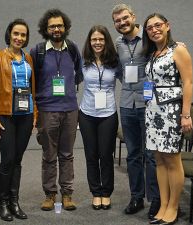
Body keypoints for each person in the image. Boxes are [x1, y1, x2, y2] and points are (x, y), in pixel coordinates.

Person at [143, 13, 193, 225]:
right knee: (159, 160)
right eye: (150, 28)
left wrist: (185, 114)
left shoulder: (178, 49)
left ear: (167, 26)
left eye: (158, 25)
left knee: (172, 160)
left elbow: (188, 82)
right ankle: (163, 204)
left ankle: (173, 206)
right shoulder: (154, 53)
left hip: (171, 111)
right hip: (153, 112)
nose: (154, 29)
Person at [30, 8, 82, 211]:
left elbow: (77, 75)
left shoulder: (73, 49)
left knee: (67, 154)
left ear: (65, 27)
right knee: (49, 154)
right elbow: (32, 79)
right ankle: (50, 194)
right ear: (46, 29)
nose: (56, 29)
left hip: (70, 109)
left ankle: (67, 194)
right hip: (46, 110)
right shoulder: (38, 51)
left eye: (60, 25)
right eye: (52, 26)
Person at [111, 3, 160, 219]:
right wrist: (130, 85)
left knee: (150, 155)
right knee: (133, 155)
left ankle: (156, 200)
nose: (122, 23)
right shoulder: (118, 44)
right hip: (127, 104)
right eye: (118, 21)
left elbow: (166, 50)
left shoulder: (148, 38)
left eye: (125, 18)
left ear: (133, 16)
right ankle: (136, 197)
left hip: (148, 104)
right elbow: (120, 71)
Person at [0, 18, 37, 221]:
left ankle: (15, 202)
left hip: (25, 115)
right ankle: (3, 203)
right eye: (16, 33)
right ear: (9, 34)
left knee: (18, 159)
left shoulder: (29, 59)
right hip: (5, 115)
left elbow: (33, 90)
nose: (19, 38)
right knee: (7, 159)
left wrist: (35, 115)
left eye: (23, 35)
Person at [78, 25, 121, 210]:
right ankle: (96, 192)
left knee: (106, 155)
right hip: (87, 114)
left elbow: (131, 78)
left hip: (108, 114)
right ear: (90, 42)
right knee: (91, 155)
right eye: (94, 39)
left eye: (101, 39)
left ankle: (106, 192)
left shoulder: (115, 61)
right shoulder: (83, 62)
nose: (97, 43)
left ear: (106, 41)